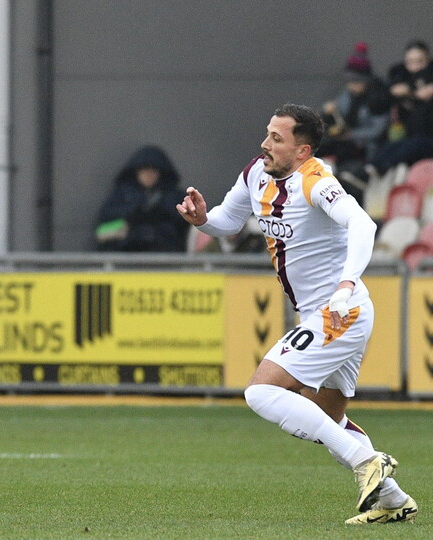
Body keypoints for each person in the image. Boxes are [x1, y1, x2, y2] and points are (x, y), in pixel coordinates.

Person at [176, 104, 417, 524]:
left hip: (339, 310)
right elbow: (227, 222)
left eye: (277, 139)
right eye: (267, 134)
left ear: (303, 150)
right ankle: (393, 500)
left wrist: (345, 283)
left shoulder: (316, 182)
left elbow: (364, 226)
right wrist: (202, 220)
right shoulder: (256, 172)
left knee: (260, 392)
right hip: (329, 314)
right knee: (328, 420)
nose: (265, 144)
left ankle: (367, 463)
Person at [319, 42, 390, 200]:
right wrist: (328, 112)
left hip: (364, 147)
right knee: (316, 147)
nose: (351, 86)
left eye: (356, 82)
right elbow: (338, 114)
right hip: (346, 142)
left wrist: (351, 134)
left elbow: (377, 130)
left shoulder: (378, 99)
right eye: (349, 82)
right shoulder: (348, 95)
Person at [94, 145, 188, 252]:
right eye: (144, 169)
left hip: (165, 255)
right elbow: (105, 221)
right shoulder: (122, 195)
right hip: (126, 256)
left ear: (160, 172)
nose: (148, 174)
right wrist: (133, 213)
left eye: (153, 170)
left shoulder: (173, 196)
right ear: (136, 171)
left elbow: (183, 224)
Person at [366, 40, 433, 177]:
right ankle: (370, 170)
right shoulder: (400, 78)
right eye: (410, 62)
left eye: (419, 61)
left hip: (427, 139)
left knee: (413, 145)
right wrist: (392, 92)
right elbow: (375, 106)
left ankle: (381, 167)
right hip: (405, 135)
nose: (415, 67)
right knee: (390, 146)